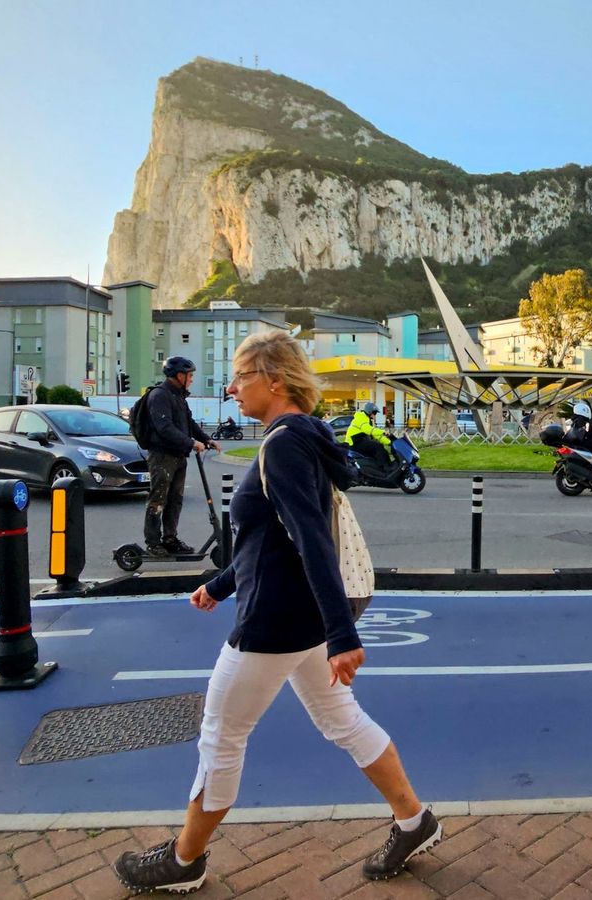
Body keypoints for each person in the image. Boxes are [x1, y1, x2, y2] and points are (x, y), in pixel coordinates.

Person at [113, 331, 443, 893]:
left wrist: (342, 635)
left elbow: (312, 539)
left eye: (241, 376)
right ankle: (415, 821)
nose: (232, 388)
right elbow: (269, 539)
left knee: (221, 733)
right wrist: (221, 583)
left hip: (275, 623)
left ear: (275, 380)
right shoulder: (300, 438)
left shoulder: (284, 444)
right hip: (301, 617)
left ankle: (186, 861)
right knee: (341, 719)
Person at [141, 357, 214, 557]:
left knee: (175, 500)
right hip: (162, 456)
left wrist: (206, 439)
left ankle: (170, 539)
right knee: (158, 499)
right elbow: (164, 427)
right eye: (189, 375)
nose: (191, 379)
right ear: (179, 375)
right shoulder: (159, 395)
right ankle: (153, 543)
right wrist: (191, 443)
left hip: (178, 455)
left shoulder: (178, 396)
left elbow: (188, 423)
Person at [344, 402, 392, 471]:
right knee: (378, 447)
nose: (375, 415)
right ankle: (384, 468)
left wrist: (390, 442)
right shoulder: (361, 417)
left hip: (360, 440)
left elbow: (376, 435)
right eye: (374, 413)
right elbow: (368, 430)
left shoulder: (368, 420)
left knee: (381, 448)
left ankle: (385, 468)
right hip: (354, 442)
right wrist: (383, 432)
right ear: (369, 412)